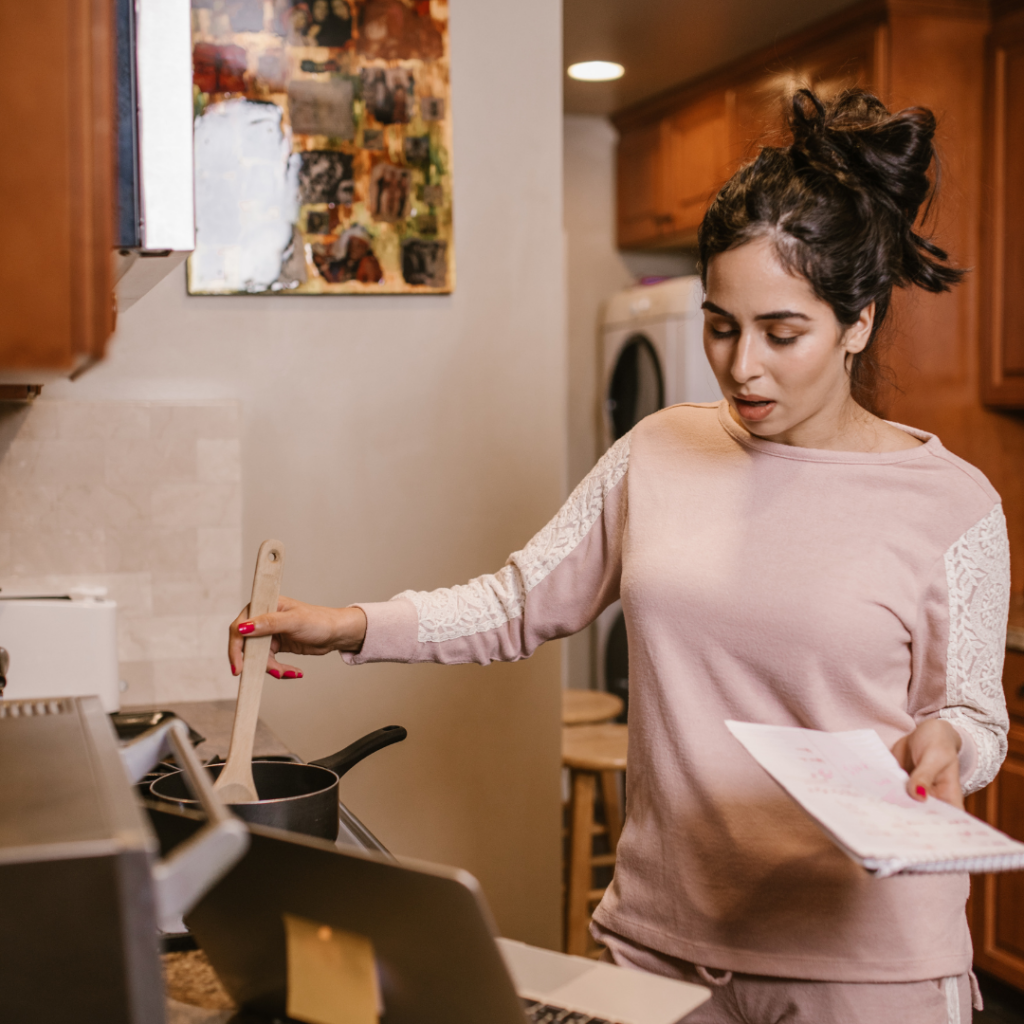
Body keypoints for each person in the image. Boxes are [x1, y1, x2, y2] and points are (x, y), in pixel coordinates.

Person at [227, 90, 1010, 1023]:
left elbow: (974, 714)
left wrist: (949, 744)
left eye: (782, 332)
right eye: (721, 324)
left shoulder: (953, 504)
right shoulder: (658, 452)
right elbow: (518, 600)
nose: (742, 365)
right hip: (657, 943)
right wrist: (347, 626)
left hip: (869, 969)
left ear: (861, 321)